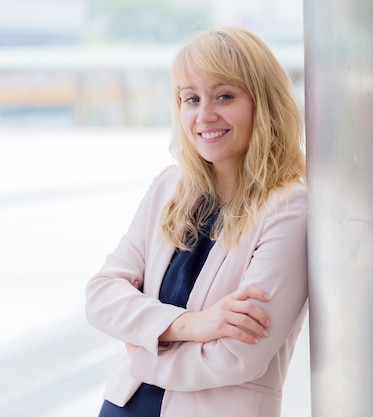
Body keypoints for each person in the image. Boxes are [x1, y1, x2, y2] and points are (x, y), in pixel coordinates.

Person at [85, 27, 308, 417]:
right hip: (122, 406)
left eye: (224, 95)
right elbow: (101, 295)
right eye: (191, 98)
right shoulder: (169, 188)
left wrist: (143, 348)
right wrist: (192, 325)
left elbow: (239, 356)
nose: (204, 115)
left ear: (263, 102)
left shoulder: (290, 208)